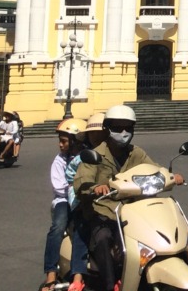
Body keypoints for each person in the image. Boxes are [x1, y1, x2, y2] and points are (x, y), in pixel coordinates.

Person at [73, 105, 184, 291]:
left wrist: (171, 177)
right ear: (107, 129)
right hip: (104, 210)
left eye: (128, 128)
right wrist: (95, 188)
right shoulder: (96, 154)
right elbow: (82, 181)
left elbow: (155, 168)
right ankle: (111, 285)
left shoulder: (136, 153)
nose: (123, 133)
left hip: (133, 209)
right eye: (117, 128)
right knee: (103, 237)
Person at [64, 113, 107, 291]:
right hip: (83, 199)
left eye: (100, 132)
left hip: (110, 200)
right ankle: (78, 274)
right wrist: (92, 188)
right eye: (92, 133)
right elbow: (72, 177)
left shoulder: (114, 153)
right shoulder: (84, 156)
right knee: (83, 227)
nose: (96, 136)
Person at [41, 118, 86, 291]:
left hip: (84, 200)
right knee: (58, 227)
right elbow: (59, 187)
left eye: (64, 141)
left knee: (83, 228)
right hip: (64, 201)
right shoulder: (60, 160)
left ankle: (79, 274)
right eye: (60, 141)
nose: (60, 145)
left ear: (75, 140)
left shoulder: (87, 156)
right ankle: (51, 274)